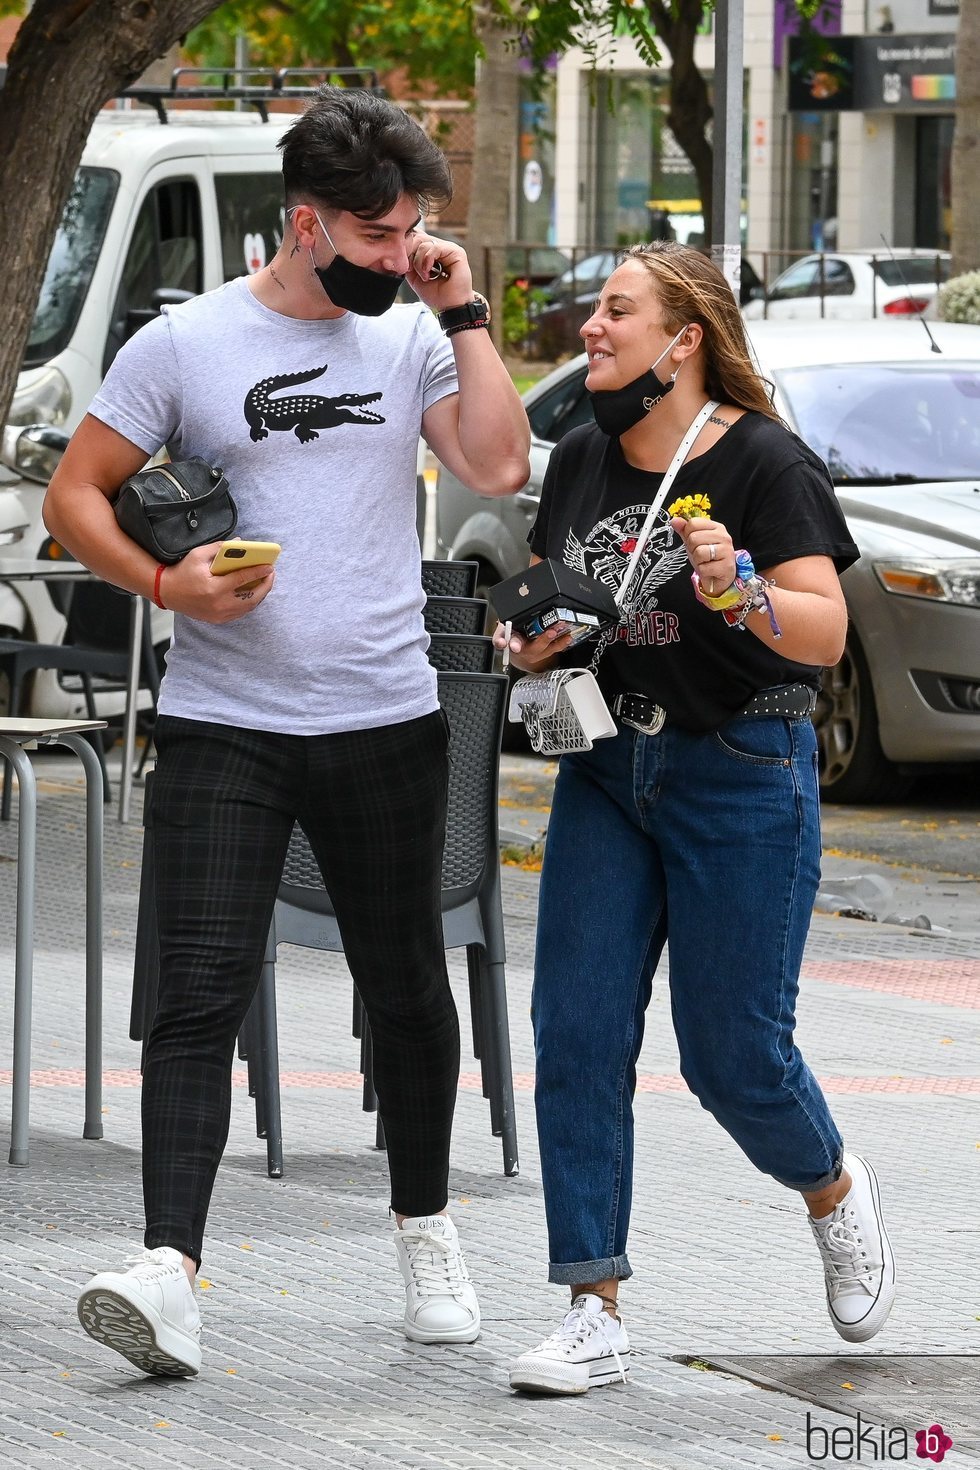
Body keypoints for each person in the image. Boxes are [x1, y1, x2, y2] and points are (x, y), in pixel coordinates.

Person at [43, 85, 530, 1379]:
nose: (400, 254)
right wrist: (165, 584)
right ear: (306, 223)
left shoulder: (415, 338)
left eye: (414, 229)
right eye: (379, 238)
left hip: (383, 716)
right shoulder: (187, 345)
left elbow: (497, 466)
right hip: (221, 721)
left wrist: (461, 306)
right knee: (195, 991)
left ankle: (425, 1227)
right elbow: (75, 490)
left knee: (407, 987)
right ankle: (169, 1269)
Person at [497, 243, 895, 1396]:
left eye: (615, 312)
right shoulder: (578, 458)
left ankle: (829, 1185)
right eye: (593, 311)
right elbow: (537, 598)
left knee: (731, 1058)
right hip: (609, 770)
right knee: (573, 1032)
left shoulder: (765, 461)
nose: (589, 328)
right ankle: (591, 1306)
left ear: (683, 340)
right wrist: (532, 640)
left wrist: (742, 591)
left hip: (741, 771)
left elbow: (821, 635)